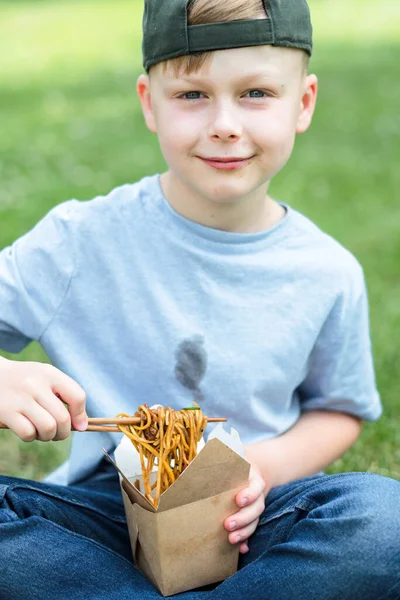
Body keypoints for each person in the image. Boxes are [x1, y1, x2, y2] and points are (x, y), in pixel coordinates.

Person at [0, 0, 399, 598]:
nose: (225, 124)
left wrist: (259, 470)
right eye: (192, 95)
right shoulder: (77, 240)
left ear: (304, 103)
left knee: (381, 520)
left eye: (257, 92)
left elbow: (338, 410)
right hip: (106, 514)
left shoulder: (325, 271)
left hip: (253, 517)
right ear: (148, 103)